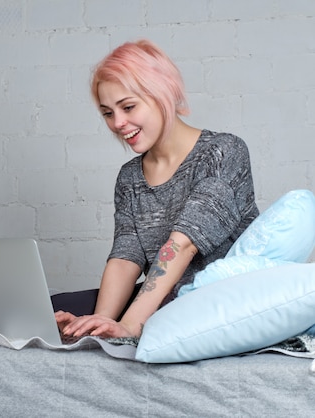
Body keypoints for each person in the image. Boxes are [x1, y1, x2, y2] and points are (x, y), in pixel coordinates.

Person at [53, 39, 259, 340]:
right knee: (53, 312)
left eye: (128, 107)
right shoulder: (130, 178)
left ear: (162, 95)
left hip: (214, 301)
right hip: (163, 297)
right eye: (108, 113)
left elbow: (183, 245)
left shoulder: (223, 152)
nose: (118, 123)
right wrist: (99, 323)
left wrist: (128, 326)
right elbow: (125, 259)